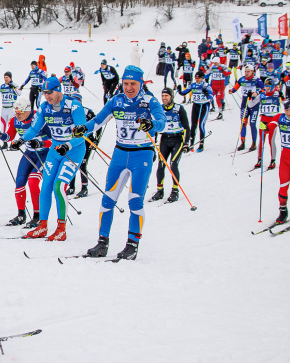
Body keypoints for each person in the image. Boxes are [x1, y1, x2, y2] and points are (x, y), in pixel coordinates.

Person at [79, 66, 166, 260]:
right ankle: (102, 243)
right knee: (107, 199)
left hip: (142, 154)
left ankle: (132, 245)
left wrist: (152, 124)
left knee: (135, 200)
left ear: (141, 84)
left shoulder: (149, 101)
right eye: (126, 83)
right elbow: (98, 121)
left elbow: (162, 121)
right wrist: (82, 129)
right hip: (120, 153)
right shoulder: (116, 101)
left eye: (133, 84)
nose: (129, 87)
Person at [18, 76, 87, 242]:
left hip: (73, 150)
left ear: (59, 90)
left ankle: (61, 228)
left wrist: (68, 146)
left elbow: (82, 133)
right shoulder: (44, 107)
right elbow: (35, 128)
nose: (47, 96)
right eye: (44, 93)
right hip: (55, 151)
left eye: (50, 93)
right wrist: (21, 140)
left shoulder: (74, 106)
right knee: (46, 186)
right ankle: (42, 225)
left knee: (59, 186)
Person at [0, 96, 47, 227]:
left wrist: (40, 142)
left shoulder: (39, 118)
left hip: (44, 154)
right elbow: (9, 136)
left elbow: (52, 137)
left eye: (20, 112)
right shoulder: (14, 120)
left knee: (33, 181)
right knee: (20, 181)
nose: (17, 115)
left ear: (28, 110)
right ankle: (21, 214)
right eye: (15, 112)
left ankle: (38, 216)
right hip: (29, 153)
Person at [150, 88, 188, 202]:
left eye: (166, 95)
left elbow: (187, 127)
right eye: (162, 95)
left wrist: (186, 143)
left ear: (171, 96)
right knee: (161, 164)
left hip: (178, 139)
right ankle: (159, 190)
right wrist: (153, 142)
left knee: (173, 164)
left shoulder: (179, 109)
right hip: (165, 139)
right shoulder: (160, 109)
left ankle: (175, 191)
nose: (164, 98)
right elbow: (155, 126)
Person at [178, 70, 213, 151]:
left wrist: (206, 94)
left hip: (204, 106)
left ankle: (201, 144)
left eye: (199, 78)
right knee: (193, 125)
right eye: (196, 77)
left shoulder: (206, 86)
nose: (197, 79)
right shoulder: (193, 85)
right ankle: (191, 143)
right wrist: (179, 90)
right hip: (196, 105)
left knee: (201, 125)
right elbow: (184, 92)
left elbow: (211, 97)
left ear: (203, 78)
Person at [230, 64, 263, 151]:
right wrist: (232, 90)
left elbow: (264, 90)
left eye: (248, 71)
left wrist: (256, 93)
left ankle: (254, 143)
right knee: (243, 123)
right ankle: (242, 142)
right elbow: (236, 87)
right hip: (244, 103)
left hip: (254, 103)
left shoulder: (257, 80)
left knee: (252, 124)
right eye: (245, 71)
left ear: (252, 72)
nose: (246, 73)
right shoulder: (242, 79)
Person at [255, 77, 283, 170]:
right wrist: (251, 96)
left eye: (269, 85)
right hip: (263, 119)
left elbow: (286, 103)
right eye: (266, 85)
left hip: (273, 120)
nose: (267, 87)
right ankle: (259, 159)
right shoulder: (262, 94)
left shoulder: (277, 94)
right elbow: (251, 104)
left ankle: (273, 160)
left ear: (273, 86)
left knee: (271, 140)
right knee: (261, 139)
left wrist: (282, 97)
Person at [0, 72, 19, 146]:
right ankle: (4, 142)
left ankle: (12, 142)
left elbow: (19, 93)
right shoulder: (2, 86)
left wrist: (13, 87)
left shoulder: (15, 85)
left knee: (11, 125)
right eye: (4, 77)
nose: (5, 79)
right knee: (3, 125)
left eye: (7, 77)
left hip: (11, 108)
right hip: (4, 108)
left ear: (10, 78)